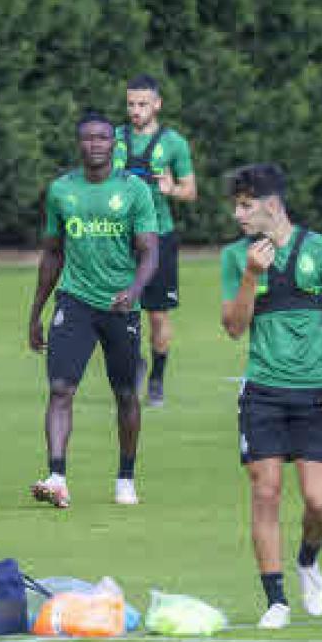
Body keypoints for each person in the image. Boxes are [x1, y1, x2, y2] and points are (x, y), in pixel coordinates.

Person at [219, 164, 322, 629]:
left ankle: (308, 560)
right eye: (236, 205)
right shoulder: (237, 257)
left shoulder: (321, 251)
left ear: (272, 205)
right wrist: (250, 277)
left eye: (245, 205)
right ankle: (276, 599)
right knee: (266, 492)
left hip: (315, 396)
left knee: (319, 503)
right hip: (262, 393)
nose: (238, 214)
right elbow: (234, 327)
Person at [27, 112, 159, 508]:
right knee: (60, 388)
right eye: (87, 138)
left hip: (120, 306)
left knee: (125, 394)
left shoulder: (134, 191)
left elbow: (150, 250)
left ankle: (125, 477)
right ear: (78, 143)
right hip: (75, 300)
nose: (95, 144)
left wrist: (134, 290)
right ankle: (57, 476)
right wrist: (36, 312)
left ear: (114, 144)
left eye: (103, 138)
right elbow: (52, 253)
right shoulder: (61, 190)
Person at [114, 74, 196, 407]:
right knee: (121, 309)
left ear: (157, 105)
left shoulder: (174, 143)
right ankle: (134, 365)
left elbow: (191, 191)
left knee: (157, 316)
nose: (135, 110)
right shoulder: (114, 138)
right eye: (131, 103)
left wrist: (172, 189)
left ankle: (157, 378)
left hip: (159, 237)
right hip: (120, 239)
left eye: (142, 104)